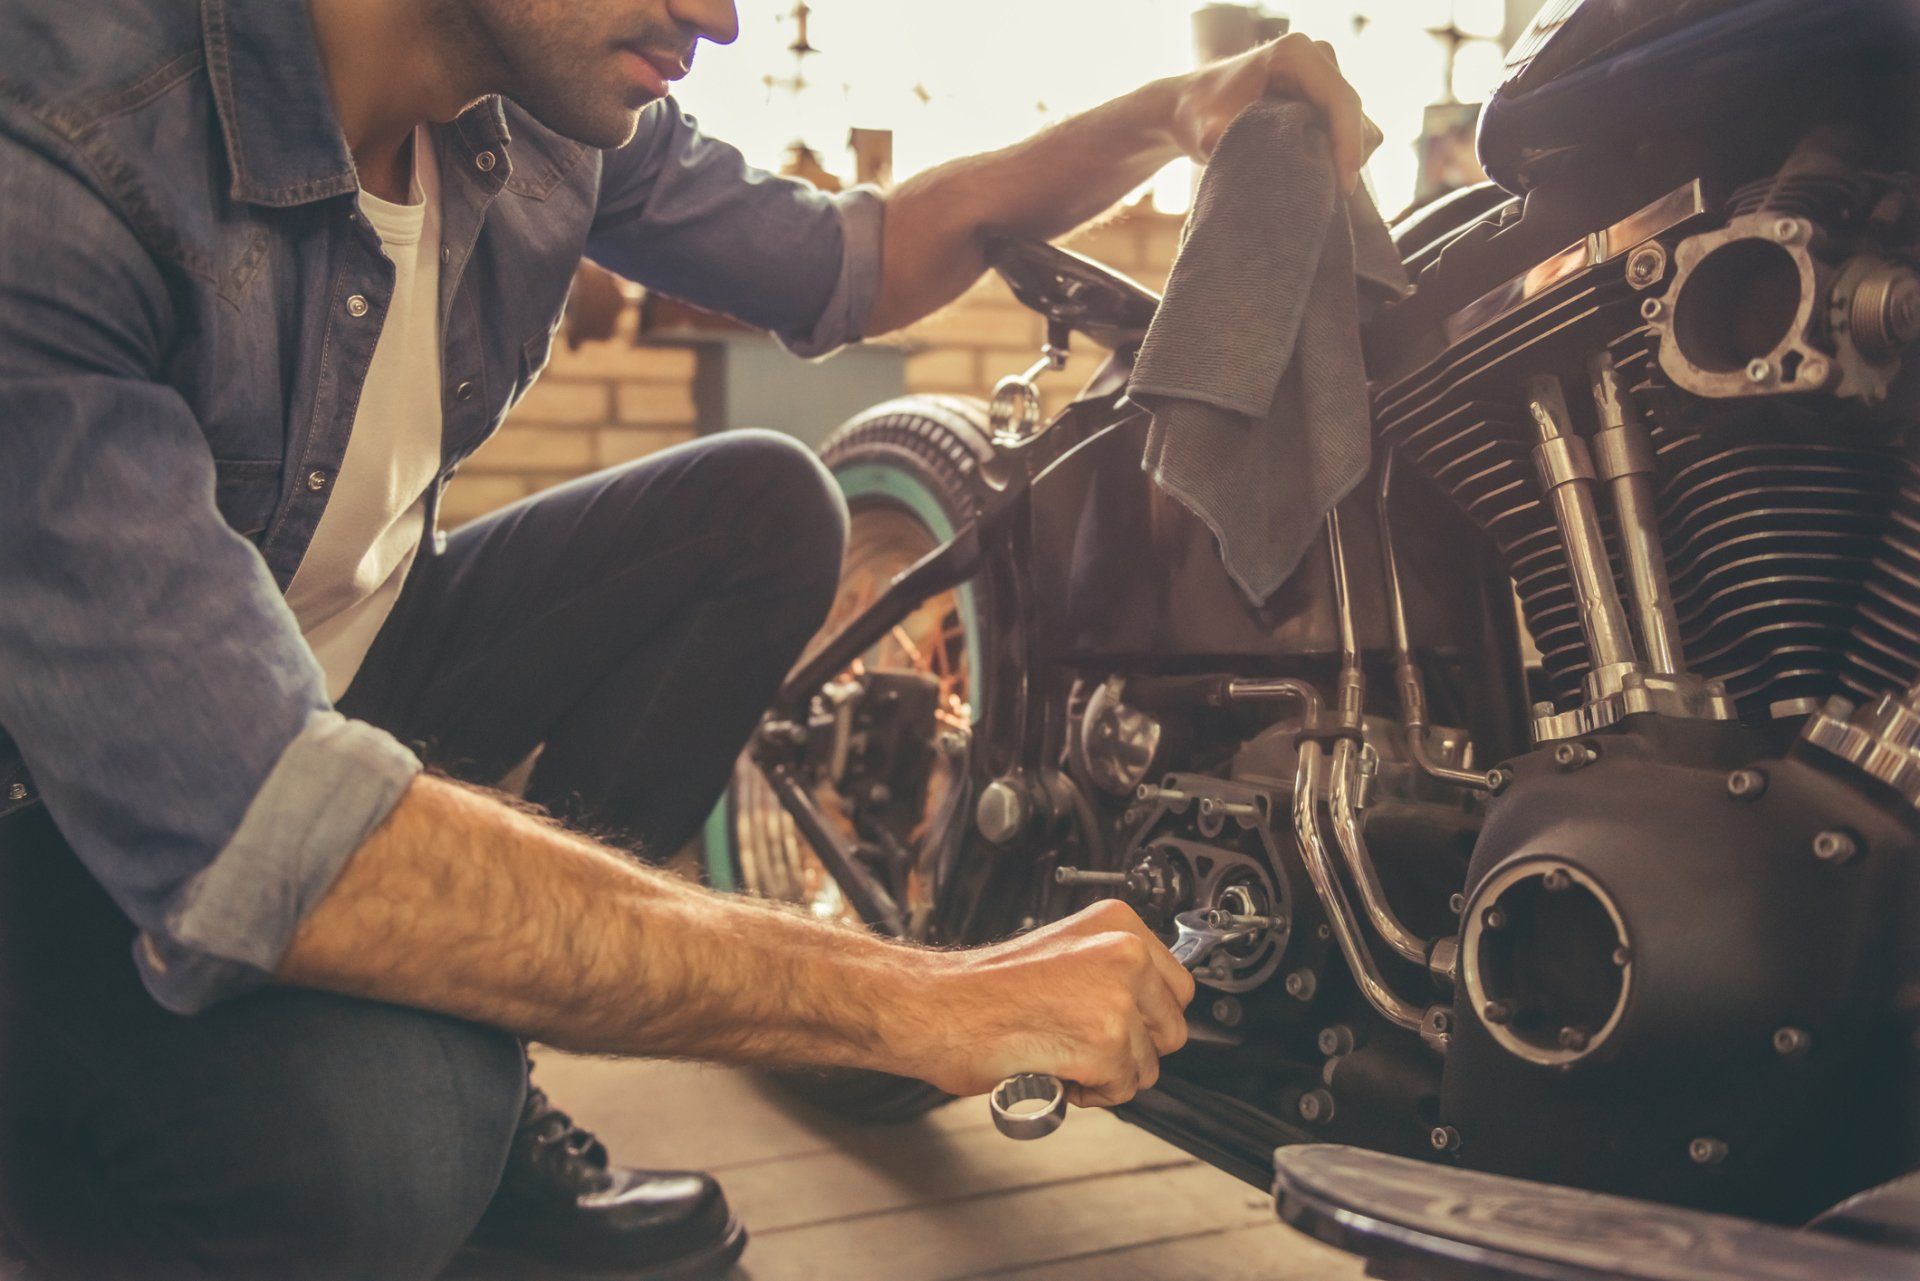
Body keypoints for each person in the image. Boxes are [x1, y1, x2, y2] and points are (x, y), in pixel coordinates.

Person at [0, 1, 1372, 1277]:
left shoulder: (526, 103)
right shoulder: (62, 153)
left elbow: (861, 258)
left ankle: (460, 1025)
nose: (719, 16)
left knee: (765, 505)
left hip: (335, 680)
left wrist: (1183, 109)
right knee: (392, 1146)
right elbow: (259, 819)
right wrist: (927, 999)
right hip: (65, 808)